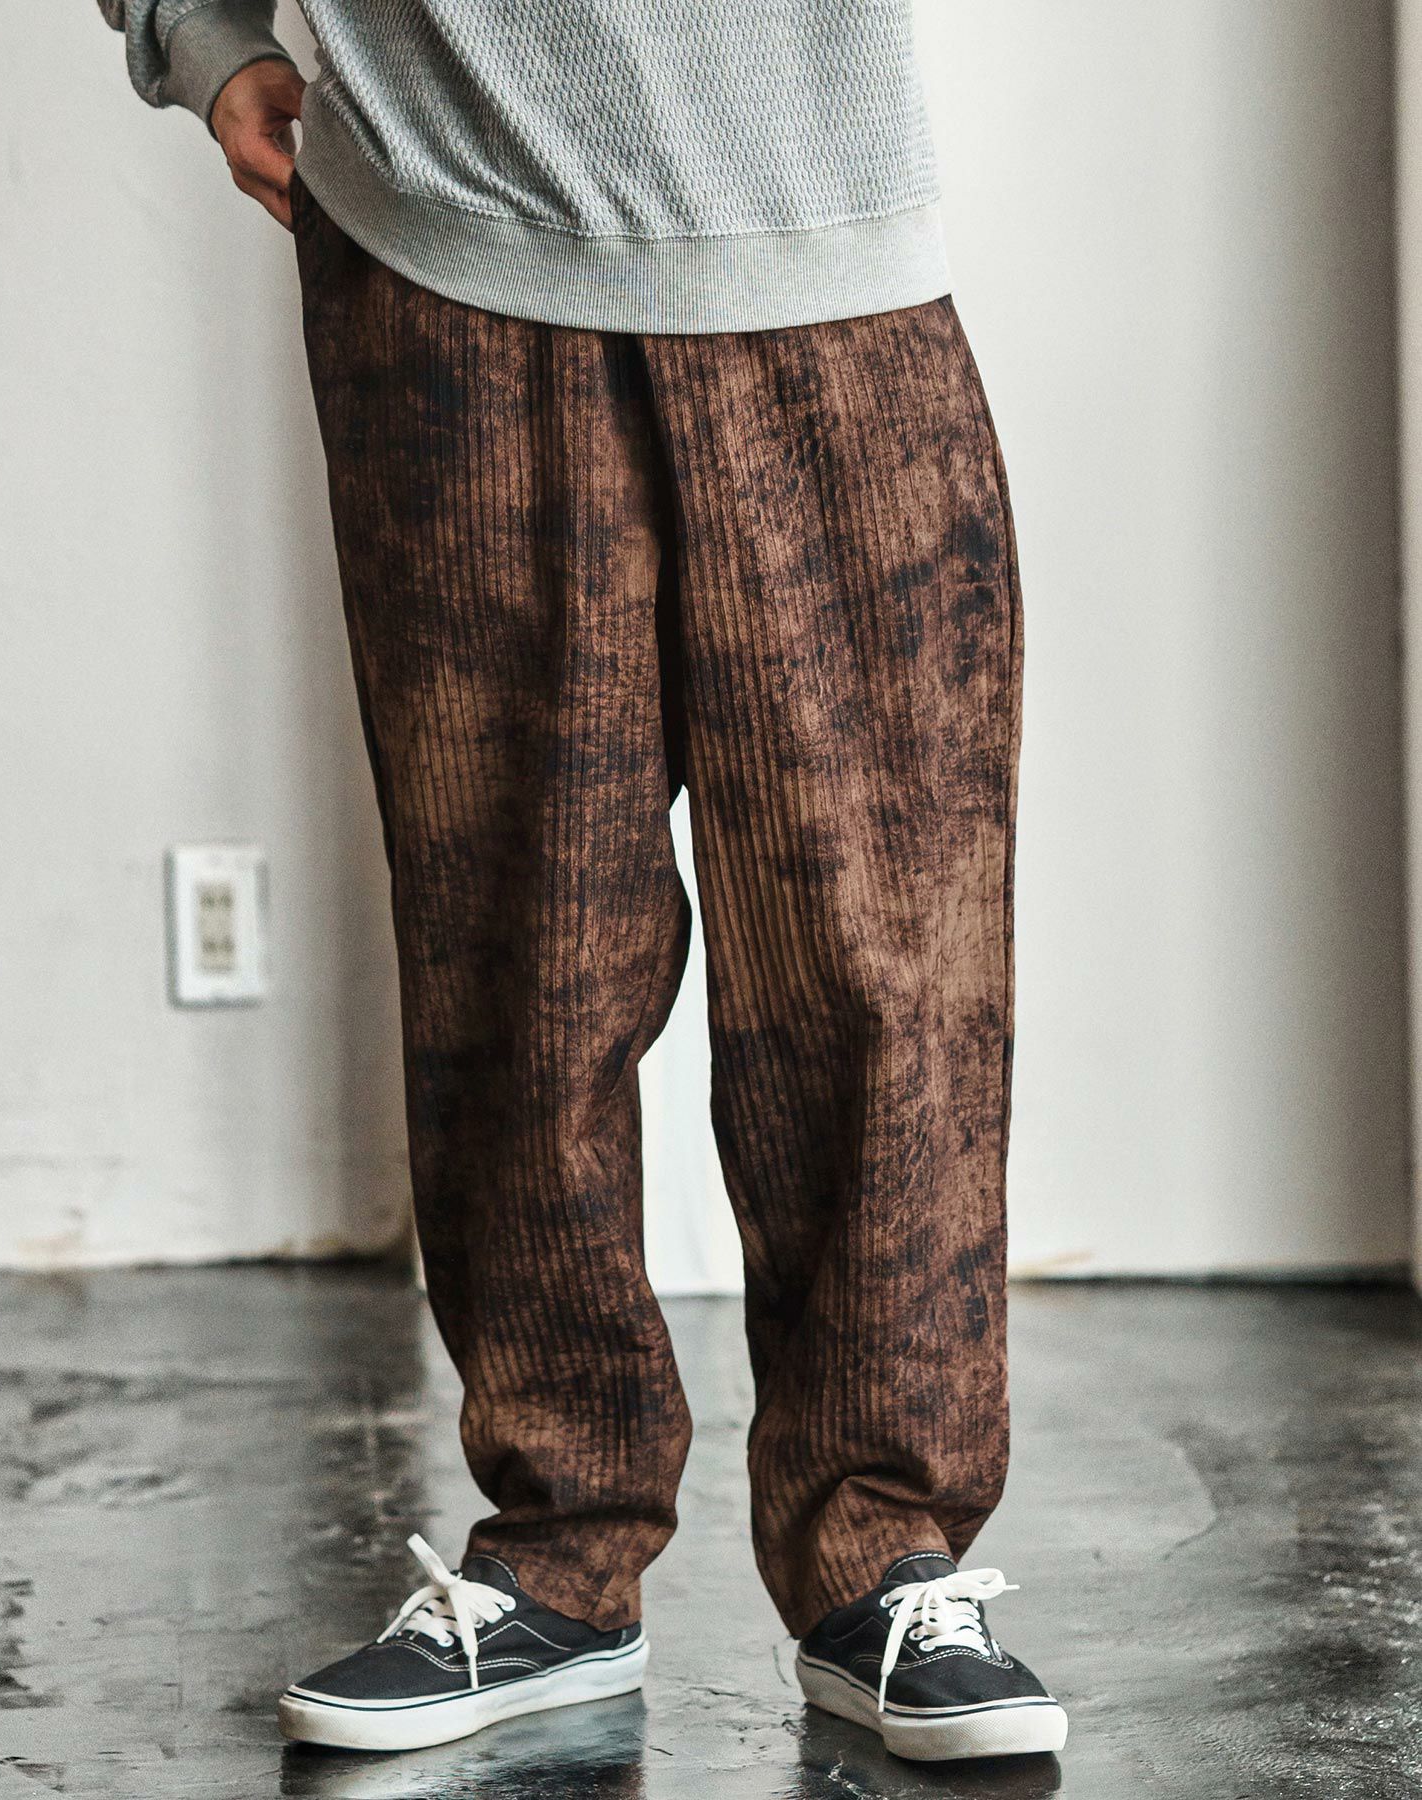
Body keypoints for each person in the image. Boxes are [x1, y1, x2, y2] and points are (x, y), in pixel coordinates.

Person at [97, 0, 1066, 1765]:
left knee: (886, 964)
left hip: (825, 259)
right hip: (440, 254)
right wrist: (201, 28)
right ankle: (556, 1558)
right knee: (518, 968)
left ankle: (886, 1556)